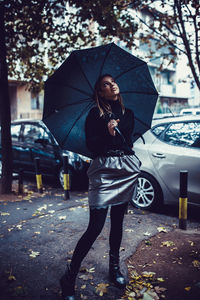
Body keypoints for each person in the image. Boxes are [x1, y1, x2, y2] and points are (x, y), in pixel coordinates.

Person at [60, 74, 141, 300]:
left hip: (123, 169)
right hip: (103, 171)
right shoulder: (94, 115)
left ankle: (114, 268)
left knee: (118, 221)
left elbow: (129, 144)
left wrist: (118, 134)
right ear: (100, 92)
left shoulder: (128, 114)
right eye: (106, 84)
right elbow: (91, 146)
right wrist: (107, 132)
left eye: (113, 81)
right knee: (95, 227)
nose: (112, 85)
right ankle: (69, 277)